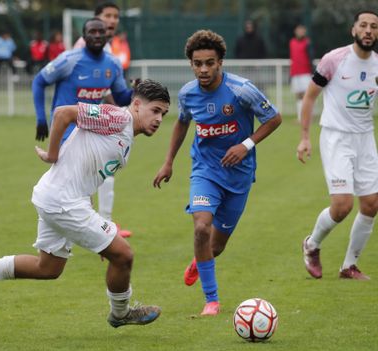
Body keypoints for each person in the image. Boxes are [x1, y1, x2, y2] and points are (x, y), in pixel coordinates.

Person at [0, 79, 170, 328]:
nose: (159, 119)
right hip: (63, 201)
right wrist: (53, 154)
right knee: (123, 254)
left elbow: (88, 165)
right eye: (156, 111)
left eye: (164, 113)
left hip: (60, 197)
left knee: (48, 268)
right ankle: (121, 312)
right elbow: (63, 113)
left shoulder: (126, 132)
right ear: (137, 105)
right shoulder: (118, 117)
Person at [153, 30, 282, 316]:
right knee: (201, 227)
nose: (203, 69)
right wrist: (168, 161)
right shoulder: (188, 93)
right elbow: (182, 123)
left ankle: (199, 261)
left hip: (239, 175)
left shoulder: (242, 89)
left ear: (220, 62)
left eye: (210, 63)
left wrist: (246, 145)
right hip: (205, 171)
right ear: (190, 64)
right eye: (198, 63)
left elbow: (274, 118)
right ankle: (211, 300)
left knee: (216, 246)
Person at [33, 18, 134, 238]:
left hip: (91, 129)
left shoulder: (113, 64)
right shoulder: (69, 60)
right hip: (67, 130)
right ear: (84, 35)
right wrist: (41, 118)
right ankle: (100, 233)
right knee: (77, 185)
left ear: (107, 35)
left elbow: (121, 96)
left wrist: (137, 90)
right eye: (92, 32)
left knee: (91, 180)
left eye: (101, 32)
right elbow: (39, 81)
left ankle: (90, 230)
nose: (97, 35)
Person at [297, 11, 378, 281]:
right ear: (353, 30)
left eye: (374, 27)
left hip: (365, 138)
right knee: (342, 206)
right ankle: (312, 244)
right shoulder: (335, 60)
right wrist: (305, 137)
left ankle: (349, 266)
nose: (368, 30)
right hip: (336, 137)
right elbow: (309, 97)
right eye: (364, 25)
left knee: (371, 204)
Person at [73, 2, 133, 238]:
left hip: (96, 118)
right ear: (96, 18)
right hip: (83, 119)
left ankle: (104, 225)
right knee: (91, 174)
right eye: (107, 15)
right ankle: (95, 226)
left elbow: (105, 85)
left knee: (104, 171)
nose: (112, 20)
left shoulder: (106, 46)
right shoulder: (86, 47)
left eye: (115, 16)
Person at [289, 24, 313, 121]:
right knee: (298, 95)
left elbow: (311, 56)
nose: (300, 32)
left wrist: (312, 71)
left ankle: (308, 117)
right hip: (295, 72)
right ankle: (300, 117)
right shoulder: (292, 42)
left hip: (305, 72)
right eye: (299, 30)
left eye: (302, 31)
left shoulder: (307, 42)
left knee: (307, 95)